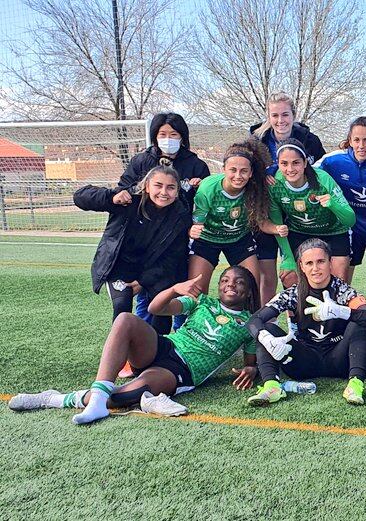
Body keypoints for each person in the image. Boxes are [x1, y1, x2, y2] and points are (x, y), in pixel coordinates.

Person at [9, 267, 261, 424]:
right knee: (125, 320)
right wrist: (174, 289)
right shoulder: (203, 302)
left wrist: (250, 370)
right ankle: (100, 394)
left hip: (181, 371)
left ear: (249, 292)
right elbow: (156, 308)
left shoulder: (250, 324)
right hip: (163, 347)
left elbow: (250, 363)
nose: (230, 284)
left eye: (239, 282)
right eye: (226, 279)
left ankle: (53, 398)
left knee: (125, 397)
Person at [245, 239, 366, 406]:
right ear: (301, 266)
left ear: (330, 263)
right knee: (267, 329)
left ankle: (355, 385)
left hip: (340, 361)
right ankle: (272, 386)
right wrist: (266, 338)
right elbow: (254, 320)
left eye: (321, 261)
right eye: (309, 263)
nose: (315, 268)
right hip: (304, 362)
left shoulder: (342, 291)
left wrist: (341, 311)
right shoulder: (293, 294)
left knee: (359, 322)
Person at [115, 112, 210, 330]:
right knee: (149, 287)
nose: (168, 138)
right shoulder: (141, 161)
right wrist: (143, 187)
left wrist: (196, 188)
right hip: (149, 236)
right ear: (155, 136)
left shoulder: (196, 164)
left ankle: (183, 336)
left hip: (183, 237)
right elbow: (123, 190)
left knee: (182, 283)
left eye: (173, 134)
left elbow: (206, 202)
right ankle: (143, 338)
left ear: (182, 137)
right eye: (163, 134)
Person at [73, 165, 191, 335]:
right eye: (158, 185)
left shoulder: (180, 215)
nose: (164, 192)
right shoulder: (128, 201)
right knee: (122, 308)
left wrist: (143, 281)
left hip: (153, 270)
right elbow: (80, 197)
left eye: (171, 187)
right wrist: (111, 197)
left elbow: (172, 258)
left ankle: (160, 354)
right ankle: (123, 353)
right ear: (147, 186)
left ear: (177, 190)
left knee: (161, 309)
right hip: (120, 268)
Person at [251, 92, 327, 305]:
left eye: (285, 114)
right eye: (274, 115)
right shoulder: (257, 142)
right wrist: (262, 174)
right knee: (267, 274)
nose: (280, 120)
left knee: (296, 270)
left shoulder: (310, 141)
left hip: (299, 214)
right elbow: (244, 170)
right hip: (266, 212)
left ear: (294, 115)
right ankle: (267, 323)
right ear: (268, 116)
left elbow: (321, 173)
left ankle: (300, 319)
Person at [263, 138, 356, 288]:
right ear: (278, 164)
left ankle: (333, 311)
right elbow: (278, 224)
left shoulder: (323, 180)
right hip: (299, 232)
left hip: (333, 232)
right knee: (289, 276)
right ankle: (298, 312)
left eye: (296, 163)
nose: (290, 169)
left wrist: (333, 205)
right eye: (284, 163)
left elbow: (350, 220)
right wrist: (288, 258)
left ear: (305, 163)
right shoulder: (274, 184)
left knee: (339, 279)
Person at [316, 116, 366, 287]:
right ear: (350, 141)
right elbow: (306, 170)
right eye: (356, 140)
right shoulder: (333, 160)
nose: (361, 145)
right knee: (344, 276)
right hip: (351, 227)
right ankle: (346, 312)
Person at [188, 139, 271, 294]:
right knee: (195, 291)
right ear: (224, 169)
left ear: (251, 173)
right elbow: (197, 223)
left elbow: (262, 221)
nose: (238, 176)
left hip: (239, 240)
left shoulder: (255, 188)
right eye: (233, 170)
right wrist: (193, 229)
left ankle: (248, 319)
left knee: (251, 288)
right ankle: (198, 318)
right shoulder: (208, 187)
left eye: (244, 171)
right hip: (208, 239)